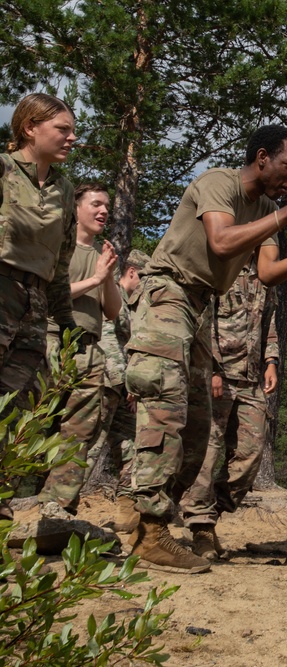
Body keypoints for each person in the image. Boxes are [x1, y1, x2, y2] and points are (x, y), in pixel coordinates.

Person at [126, 124, 287, 573]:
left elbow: (268, 273)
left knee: (197, 432)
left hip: (198, 307)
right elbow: (221, 241)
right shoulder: (220, 183)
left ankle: (147, 517)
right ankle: (148, 530)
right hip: (169, 292)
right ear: (261, 158)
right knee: (166, 408)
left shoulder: (266, 208)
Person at [0, 93, 78, 520]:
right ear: (30, 127)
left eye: (72, 130)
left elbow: (62, 263)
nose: (71, 138)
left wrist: (67, 323)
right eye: (62, 129)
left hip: (33, 307)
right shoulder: (3, 169)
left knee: (17, 408)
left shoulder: (65, 190)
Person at [179, 255, 280, 559]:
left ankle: (213, 514)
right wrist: (210, 369)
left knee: (251, 453)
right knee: (206, 455)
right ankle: (200, 528)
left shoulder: (265, 275)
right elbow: (201, 323)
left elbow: (269, 322)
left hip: (251, 379)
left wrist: (271, 362)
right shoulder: (215, 269)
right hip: (217, 376)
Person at [37, 184, 122, 519]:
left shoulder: (101, 255)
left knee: (78, 434)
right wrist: (95, 278)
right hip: (52, 340)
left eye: (107, 207)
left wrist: (108, 277)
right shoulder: (58, 246)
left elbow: (112, 312)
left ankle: (56, 508)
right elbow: (47, 294)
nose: (103, 211)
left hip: (89, 348)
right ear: (76, 209)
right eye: (96, 204)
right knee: (34, 424)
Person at [90, 249, 150, 533]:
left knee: (129, 447)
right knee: (91, 442)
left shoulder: (132, 304)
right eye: (145, 279)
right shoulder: (110, 291)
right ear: (132, 272)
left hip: (124, 385)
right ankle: (58, 507)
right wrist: (124, 379)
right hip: (108, 380)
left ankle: (127, 510)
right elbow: (109, 340)